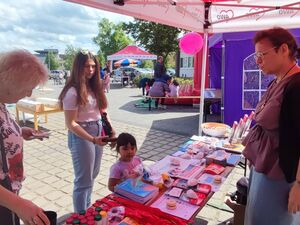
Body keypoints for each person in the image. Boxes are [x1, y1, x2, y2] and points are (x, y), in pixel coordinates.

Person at [242, 27, 300, 225]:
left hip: (282, 176)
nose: (257, 61)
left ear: (283, 49)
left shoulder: (297, 86)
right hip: (263, 165)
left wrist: (299, 186)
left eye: (261, 55)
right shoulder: (276, 82)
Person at [58, 50, 115, 212]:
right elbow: (71, 124)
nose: (90, 70)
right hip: (81, 134)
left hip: (98, 130)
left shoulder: (96, 87)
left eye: (93, 66)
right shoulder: (72, 92)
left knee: (93, 175)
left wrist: (111, 131)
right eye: (86, 66)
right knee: (83, 180)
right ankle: (80, 216)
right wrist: (92, 139)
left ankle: (86, 209)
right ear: (77, 67)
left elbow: (103, 111)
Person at [0, 50, 50, 225]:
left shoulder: (2, 103)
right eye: (29, 87)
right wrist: (19, 205)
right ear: (11, 82)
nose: (29, 94)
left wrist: (19, 131)